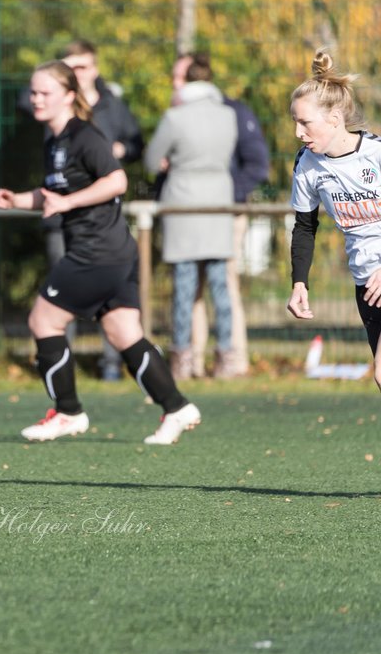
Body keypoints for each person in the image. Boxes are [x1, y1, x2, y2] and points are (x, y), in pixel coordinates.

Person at [0, 60, 200, 444]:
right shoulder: (54, 140)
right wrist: (18, 199)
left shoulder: (84, 136)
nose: (35, 99)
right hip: (114, 251)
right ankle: (176, 407)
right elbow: (55, 193)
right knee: (123, 332)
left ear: (69, 96)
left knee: (43, 321)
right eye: (33, 92)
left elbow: (116, 179)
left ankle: (68, 412)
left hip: (96, 252)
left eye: (44, 93)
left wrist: (68, 204)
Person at [287, 49, 381, 395]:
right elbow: (305, 226)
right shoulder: (308, 164)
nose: (298, 132)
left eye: (305, 122)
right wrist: (300, 283)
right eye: (294, 122)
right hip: (366, 284)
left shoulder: (376, 154)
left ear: (335, 118)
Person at [171, 53, 270, 378]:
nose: (174, 84)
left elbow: (257, 164)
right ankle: (191, 364)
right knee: (190, 287)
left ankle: (232, 362)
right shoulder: (177, 116)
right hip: (186, 213)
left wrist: (223, 195)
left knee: (223, 282)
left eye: (180, 78)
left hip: (225, 211)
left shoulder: (234, 113)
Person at [144, 56, 238, 381]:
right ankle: (226, 359)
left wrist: (172, 161)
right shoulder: (228, 115)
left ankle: (181, 361)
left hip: (183, 202)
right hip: (218, 201)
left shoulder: (175, 116)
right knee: (219, 285)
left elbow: (152, 159)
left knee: (184, 286)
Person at [57, 39, 145, 382]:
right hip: (64, 219)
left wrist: (121, 149)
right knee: (58, 298)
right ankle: (62, 368)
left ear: (94, 68)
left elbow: (137, 145)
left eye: (81, 67)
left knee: (111, 297)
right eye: (69, 68)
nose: (76, 74)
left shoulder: (112, 105)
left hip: (104, 220)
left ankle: (112, 364)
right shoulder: (55, 107)